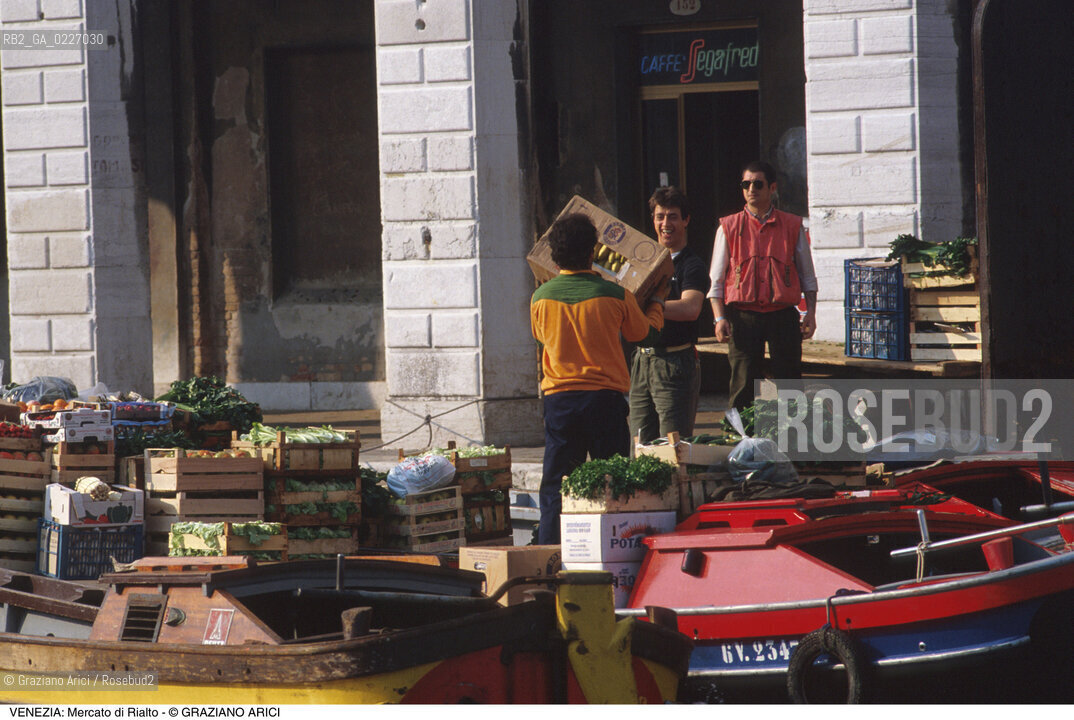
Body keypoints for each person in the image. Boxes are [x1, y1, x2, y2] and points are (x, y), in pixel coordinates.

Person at [530, 212, 666, 544]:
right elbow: (645, 335)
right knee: (613, 482)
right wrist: (658, 300)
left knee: (556, 486)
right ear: (592, 252)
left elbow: (541, 339)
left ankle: (550, 556)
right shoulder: (615, 294)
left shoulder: (540, 298)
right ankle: (615, 551)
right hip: (603, 401)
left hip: (559, 402)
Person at [708, 160, 818, 410]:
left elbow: (807, 274)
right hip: (743, 318)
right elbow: (716, 278)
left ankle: (791, 442)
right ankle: (742, 443)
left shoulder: (792, 225)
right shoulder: (728, 226)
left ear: (772, 188)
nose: (751, 189)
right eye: (746, 184)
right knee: (743, 384)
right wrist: (719, 318)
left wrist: (810, 312)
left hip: (783, 317)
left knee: (789, 386)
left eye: (758, 184)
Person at [629, 187, 711, 444]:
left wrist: (648, 304)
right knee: (640, 445)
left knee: (672, 447)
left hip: (675, 363)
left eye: (673, 216)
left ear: (686, 220)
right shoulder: (642, 263)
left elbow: (690, 308)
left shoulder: (692, 265)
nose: (666, 224)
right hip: (642, 360)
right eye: (660, 216)